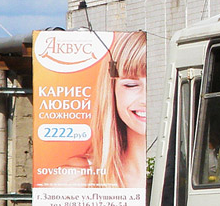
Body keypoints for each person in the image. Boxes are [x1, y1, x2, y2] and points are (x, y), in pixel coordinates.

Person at [47, 32, 147, 188]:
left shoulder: (182, 175)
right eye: (131, 85)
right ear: (111, 90)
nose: (144, 99)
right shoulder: (73, 180)